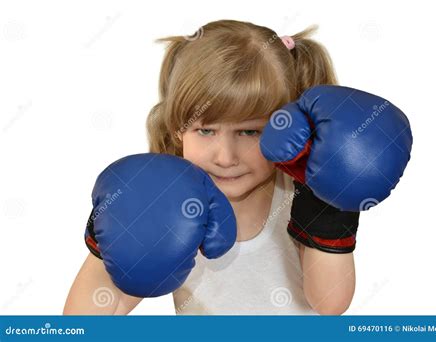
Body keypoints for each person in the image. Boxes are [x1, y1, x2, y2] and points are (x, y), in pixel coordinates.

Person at [64, 19, 411, 315]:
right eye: (206, 130)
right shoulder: (166, 200)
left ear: (286, 127)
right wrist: (118, 227)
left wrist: (330, 207)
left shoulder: (298, 194)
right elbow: (85, 320)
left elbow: (330, 304)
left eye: (250, 131)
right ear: (177, 127)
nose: (225, 156)